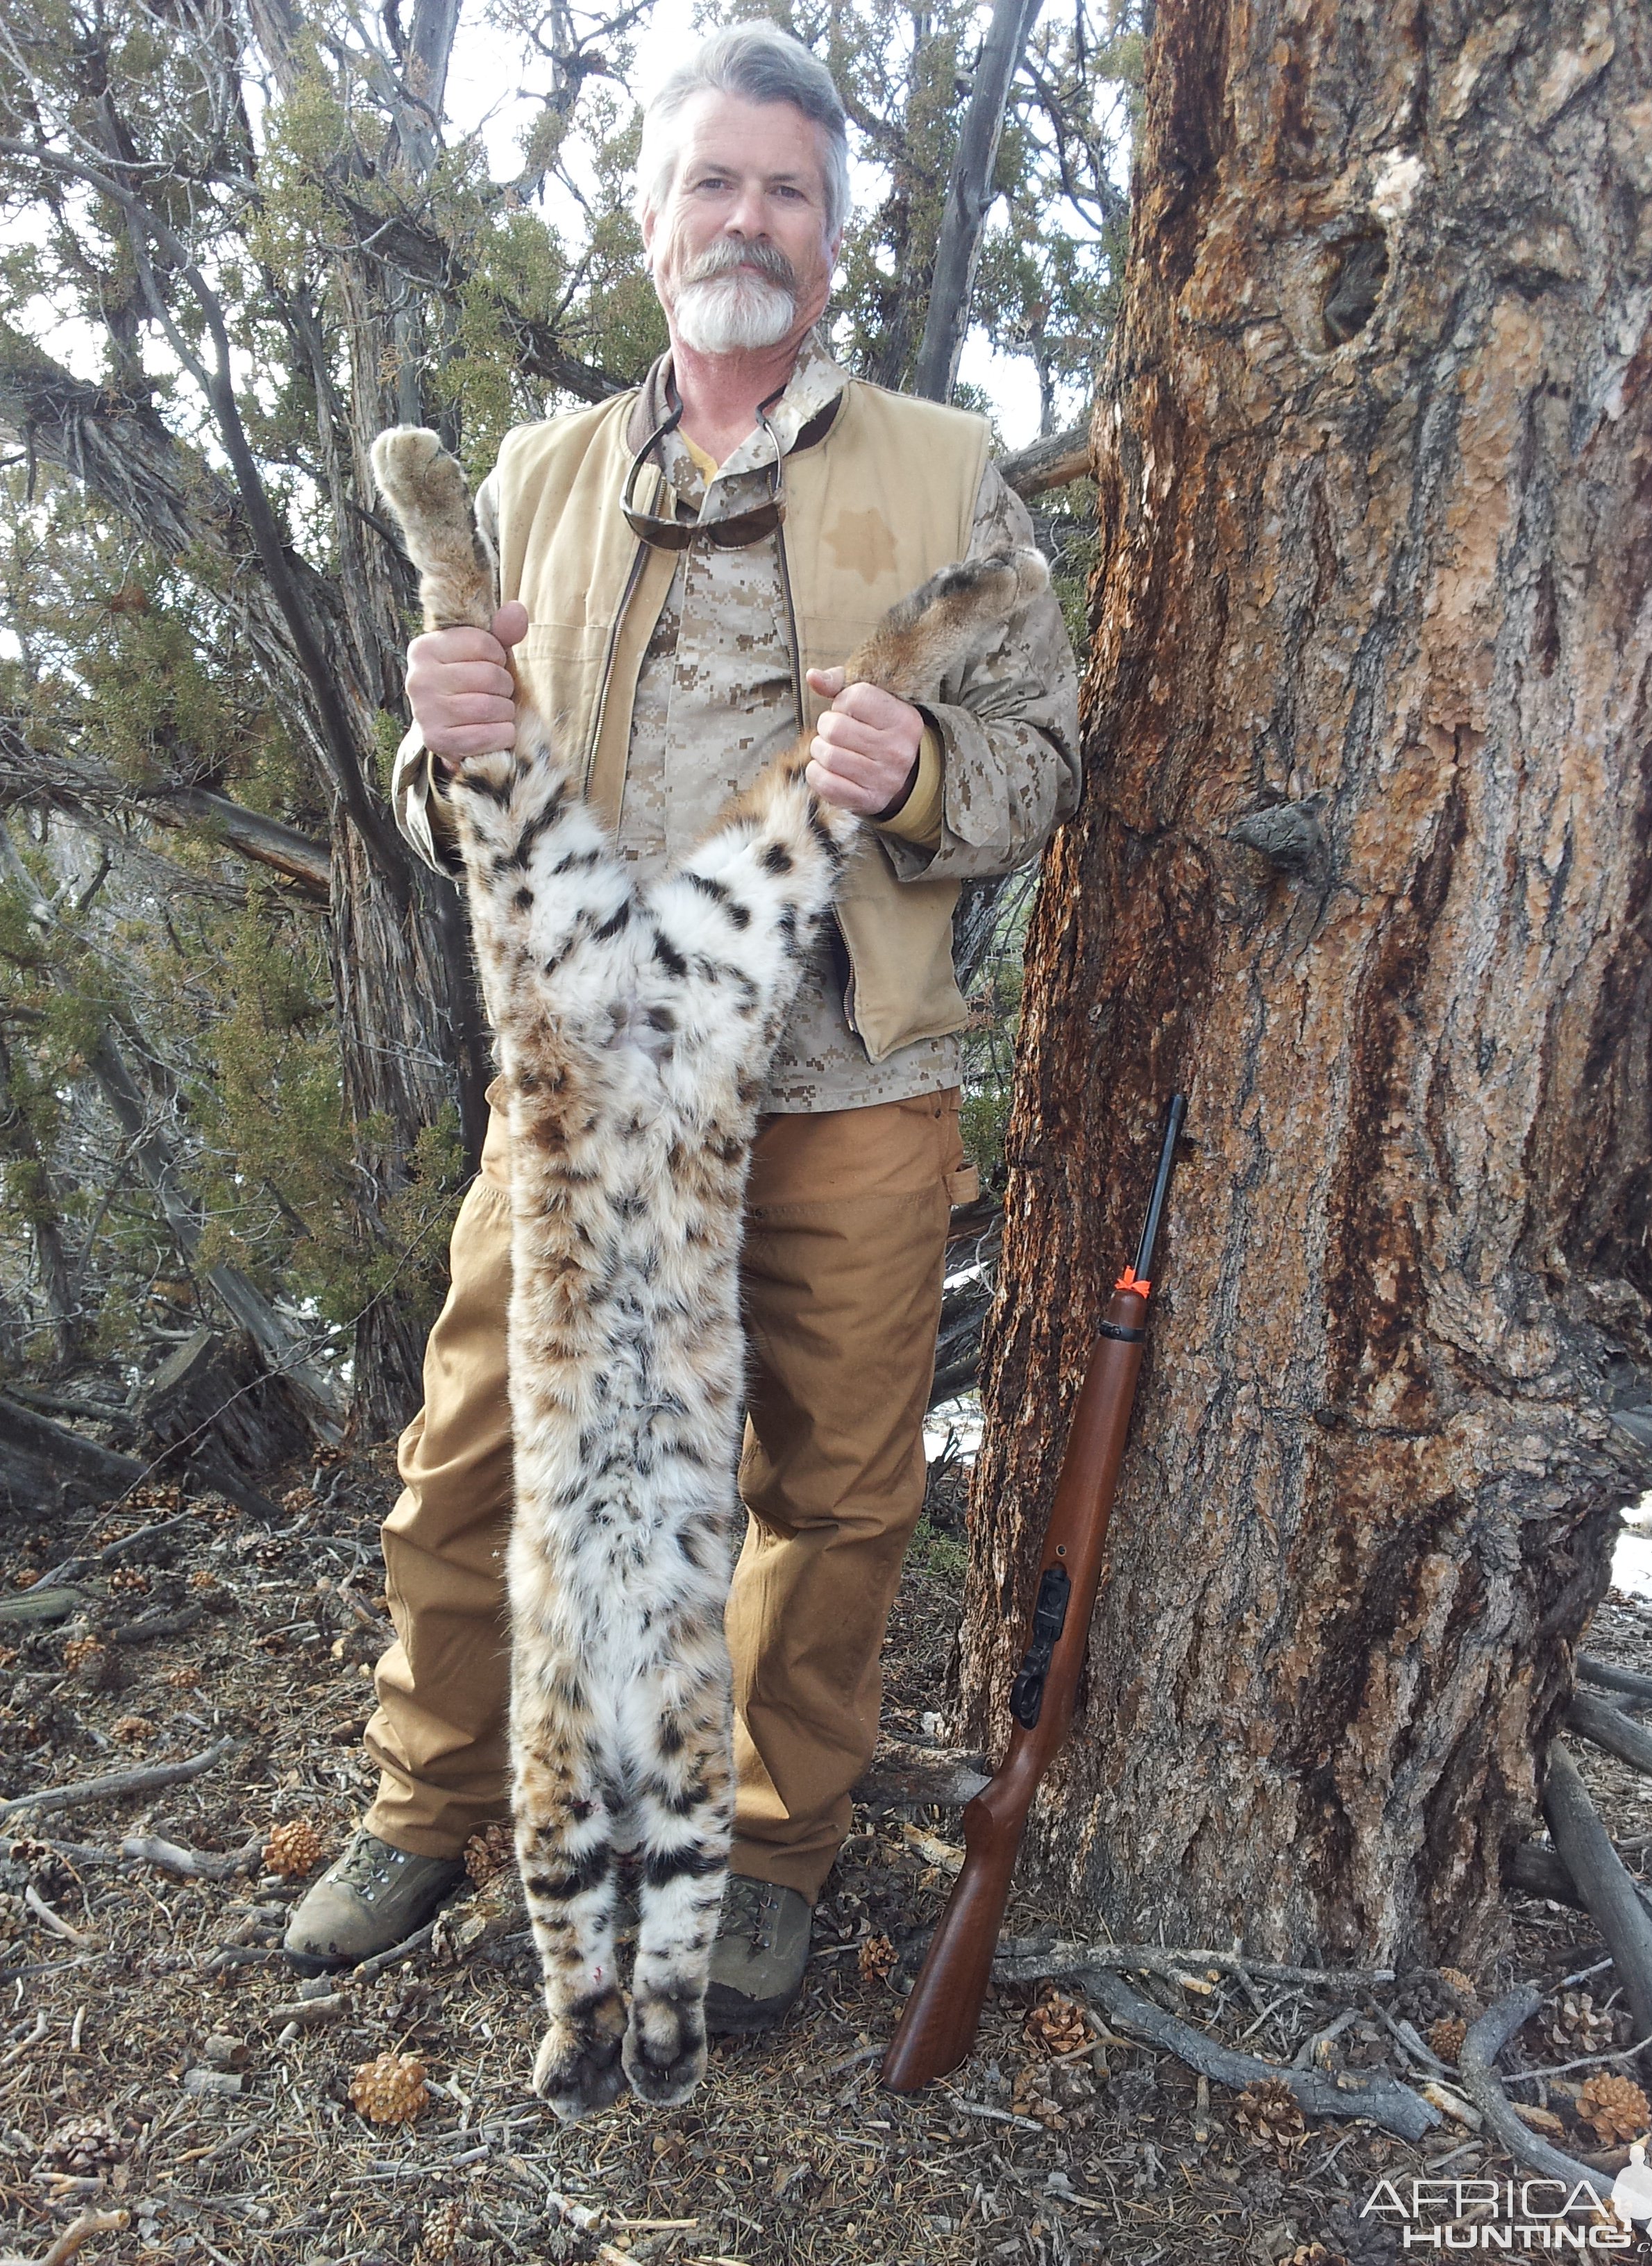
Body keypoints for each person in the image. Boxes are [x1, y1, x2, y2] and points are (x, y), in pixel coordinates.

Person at [285, 19, 1080, 2034]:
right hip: (581, 1090)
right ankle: (425, 1795)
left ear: (835, 233)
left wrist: (915, 772)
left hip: (848, 1080)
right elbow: (450, 778)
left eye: (791, 191)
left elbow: (1043, 761)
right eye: (715, 183)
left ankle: (773, 1846)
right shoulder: (545, 471)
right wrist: (436, 749)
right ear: (652, 225)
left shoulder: (943, 468)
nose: (753, 220)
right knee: (474, 1449)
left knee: (833, 1484)